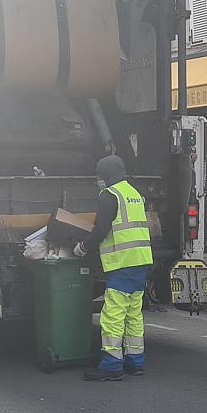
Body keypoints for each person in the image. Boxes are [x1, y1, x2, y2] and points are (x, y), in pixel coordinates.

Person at [74, 155, 153, 382]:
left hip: (122, 262)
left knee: (113, 315)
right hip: (140, 260)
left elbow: (101, 229)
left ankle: (110, 365)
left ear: (106, 175)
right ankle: (135, 360)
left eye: (99, 175)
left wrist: (83, 247)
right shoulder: (134, 193)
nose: (98, 179)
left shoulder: (109, 196)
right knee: (133, 313)